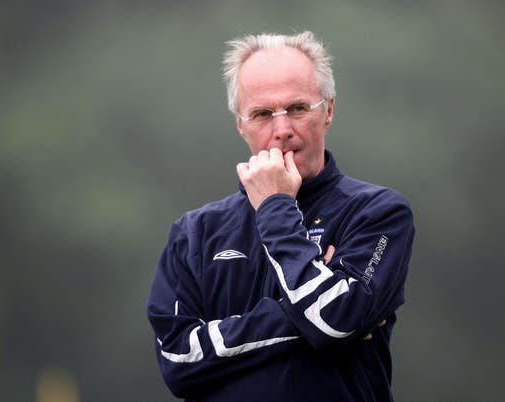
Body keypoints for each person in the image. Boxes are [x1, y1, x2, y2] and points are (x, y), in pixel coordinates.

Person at [147, 31, 415, 402]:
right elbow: (178, 360)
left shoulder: (378, 212)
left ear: (329, 110)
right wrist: (309, 317)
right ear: (240, 124)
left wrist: (275, 207)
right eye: (261, 114)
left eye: (297, 108)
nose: (282, 130)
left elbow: (335, 323)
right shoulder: (194, 233)